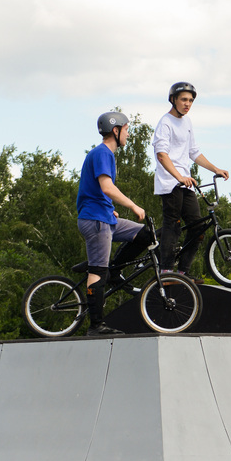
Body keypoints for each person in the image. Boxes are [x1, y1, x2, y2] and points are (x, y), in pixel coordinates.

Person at [76, 111, 151, 336]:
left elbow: (98, 191)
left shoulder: (106, 155)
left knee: (146, 234)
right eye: (127, 130)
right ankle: (96, 325)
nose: (129, 134)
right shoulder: (102, 153)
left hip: (105, 216)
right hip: (96, 221)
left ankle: (115, 272)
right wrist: (134, 206)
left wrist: (110, 208)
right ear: (116, 131)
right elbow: (107, 187)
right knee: (98, 270)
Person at [152, 81, 229, 279]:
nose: (188, 104)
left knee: (197, 228)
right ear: (173, 100)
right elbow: (162, 155)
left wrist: (216, 168)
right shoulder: (165, 123)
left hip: (185, 183)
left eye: (191, 101)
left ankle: (183, 272)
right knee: (173, 225)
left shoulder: (187, 122)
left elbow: (194, 152)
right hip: (170, 183)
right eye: (184, 100)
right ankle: (166, 272)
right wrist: (179, 176)